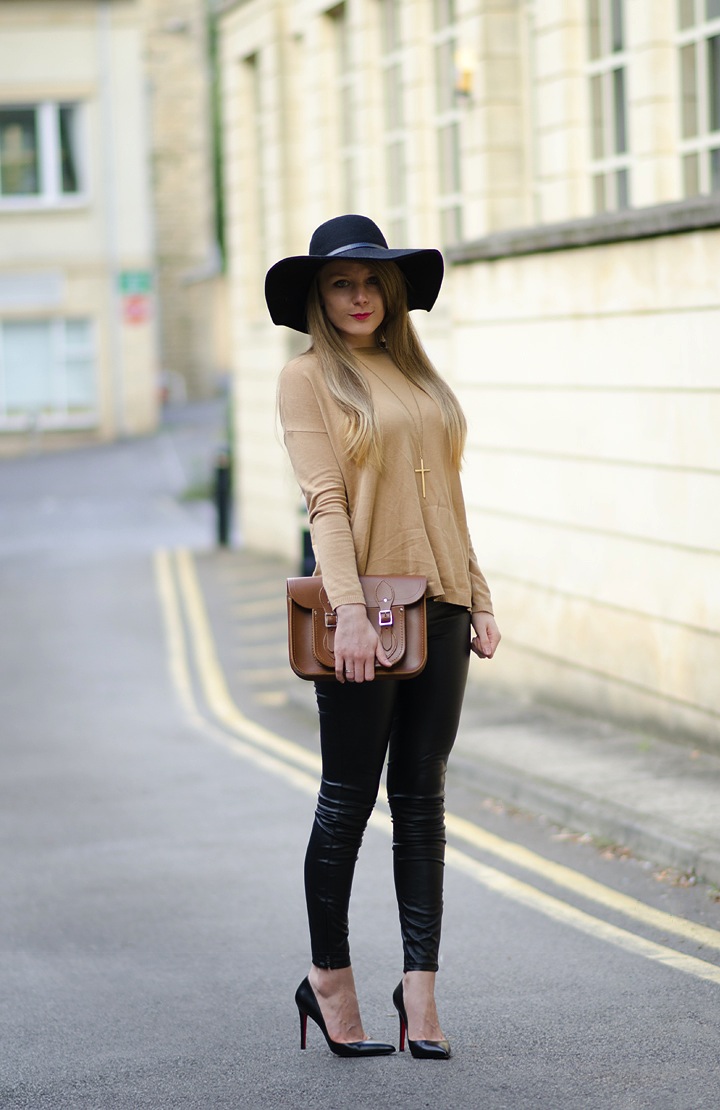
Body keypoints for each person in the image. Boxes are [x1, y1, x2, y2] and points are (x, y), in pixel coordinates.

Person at [265, 215, 500, 1059]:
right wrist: (353, 612)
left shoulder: (415, 375)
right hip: (364, 616)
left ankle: (421, 993)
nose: (358, 296)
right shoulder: (307, 380)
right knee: (346, 805)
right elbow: (325, 504)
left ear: (391, 294)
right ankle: (328, 978)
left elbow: (448, 500)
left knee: (423, 805)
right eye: (340, 283)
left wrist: (475, 594)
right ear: (318, 298)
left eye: (372, 282)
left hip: (436, 607)